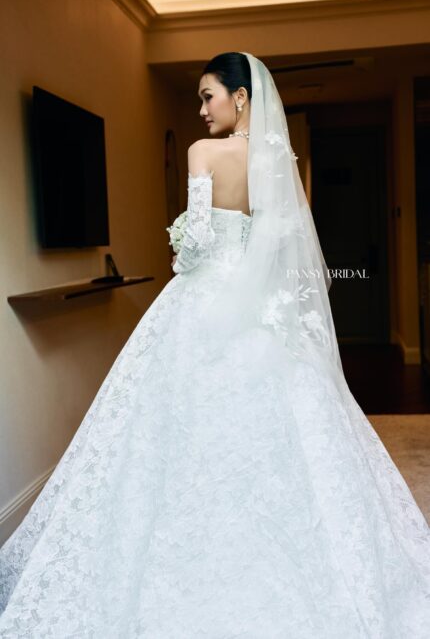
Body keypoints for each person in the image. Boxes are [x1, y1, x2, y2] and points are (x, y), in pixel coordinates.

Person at [0, 51, 429, 638]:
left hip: (203, 301)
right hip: (262, 310)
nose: (202, 109)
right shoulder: (279, 161)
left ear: (240, 97)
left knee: (168, 426)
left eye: (208, 96)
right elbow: (288, 245)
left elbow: (196, 245)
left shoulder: (203, 153)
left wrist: (180, 245)